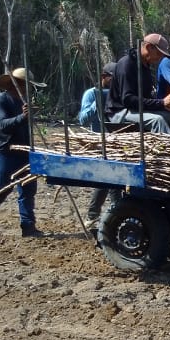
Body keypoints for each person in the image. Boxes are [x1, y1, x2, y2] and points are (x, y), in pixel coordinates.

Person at [0, 67, 46, 238]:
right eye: (26, 84)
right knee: (2, 187)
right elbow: (3, 125)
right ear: (16, 84)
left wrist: (30, 116)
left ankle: (28, 226)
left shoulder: (24, 102)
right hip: (6, 150)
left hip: (25, 150)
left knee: (28, 188)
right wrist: (23, 117)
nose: (28, 88)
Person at [107, 33, 170, 134]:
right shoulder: (126, 64)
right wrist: (161, 103)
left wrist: (164, 105)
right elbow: (127, 99)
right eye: (158, 53)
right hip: (121, 112)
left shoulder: (145, 65)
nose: (160, 58)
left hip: (140, 111)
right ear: (148, 47)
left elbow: (146, 97)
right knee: (157, 121)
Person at [75, 62, 116, 231]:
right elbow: (83, 119)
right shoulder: (91, 94)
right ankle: (97, 215)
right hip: (98, 142)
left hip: (116, 141)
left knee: (111, 180)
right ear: (104, 77)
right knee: (108, 180)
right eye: (113, 79)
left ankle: (103, 214)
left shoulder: (116, 94)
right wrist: (96, 103)